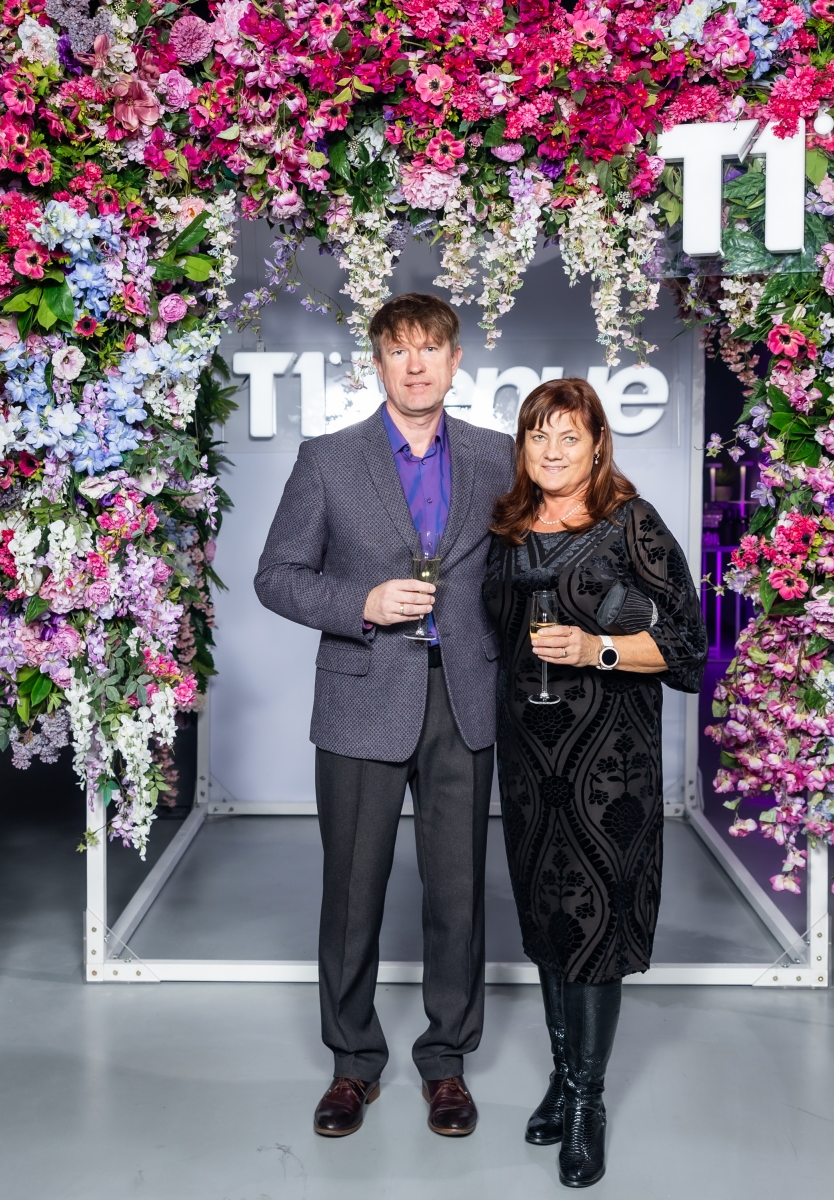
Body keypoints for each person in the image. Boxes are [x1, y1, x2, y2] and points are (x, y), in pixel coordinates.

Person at [254, 293, 515, 1140]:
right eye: (398, 350)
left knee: (459, 893)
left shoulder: (498, 457)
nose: (415, 363)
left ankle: (447, 1063)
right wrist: (360, 602)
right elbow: (277, 576)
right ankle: (352, 1065)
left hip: (464, 698)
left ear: (455, 360)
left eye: (430, 348)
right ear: (377, 364)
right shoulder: (328, 460)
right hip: (362, 696)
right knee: (352, 891)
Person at [483, 378, 707, 1188]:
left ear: (598, 444)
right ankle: (561, 1073)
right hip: (530, 764)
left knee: (594, 922)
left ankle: (587, 1101)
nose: (551, 451)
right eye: (537, 435)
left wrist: (599, 649)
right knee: (549, 917)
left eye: (568, 436)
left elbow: (688, 647)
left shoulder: (630, 523)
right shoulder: (508, 530)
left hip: (609, 768)